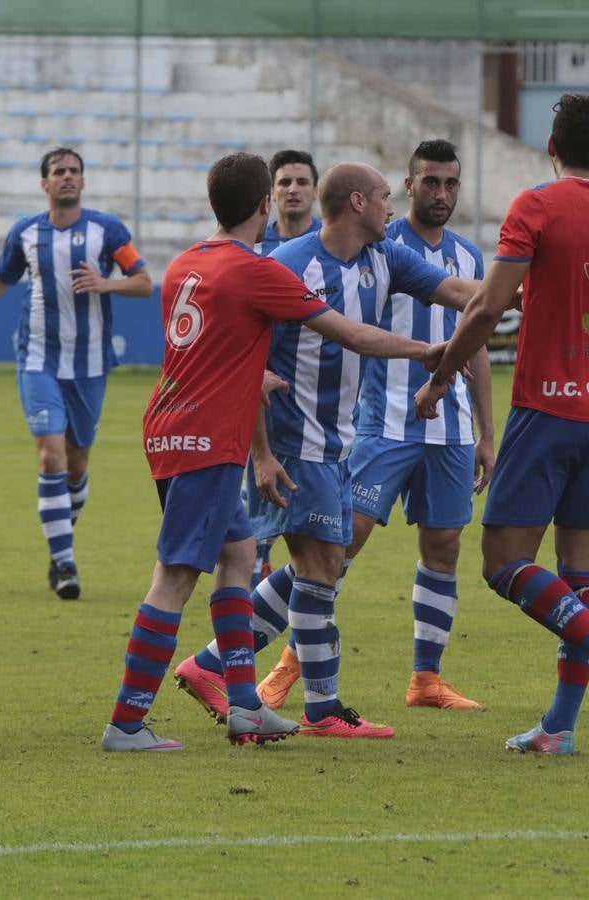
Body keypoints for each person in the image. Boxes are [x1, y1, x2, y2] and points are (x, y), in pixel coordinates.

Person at [102, 153, 448, 750]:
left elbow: (208, 346)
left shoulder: (187, 263)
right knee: (175, 578)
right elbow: (350, 333)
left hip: (171, 425)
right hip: (207, 438)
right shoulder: (256, 270)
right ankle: (126, 723)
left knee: (239, 557)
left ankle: (244, 706)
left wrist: (250, 379)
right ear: (264, 205)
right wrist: (425, 351)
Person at [414, 94, 589, 755]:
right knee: (580, 571)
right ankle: (560, 727)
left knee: (504, 563)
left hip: (547, 410)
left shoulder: (535, 206)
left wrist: (444, 373)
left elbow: (485, 309)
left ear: (550, 147)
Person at [255, 140, 494, 712]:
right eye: (429, 183)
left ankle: (426, 679)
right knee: (334, 551)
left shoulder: (465, 256)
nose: (441, 194)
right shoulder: (372, 247)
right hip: (378, 424)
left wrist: (488, 429)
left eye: (451, 184)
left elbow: (476, 329)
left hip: (451, 426)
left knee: (444, 544)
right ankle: (283, 666)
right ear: (407, 188)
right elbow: (353, 336)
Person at [0, 147, 153, 600]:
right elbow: (2, 276)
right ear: (44, 184)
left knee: (76, 465)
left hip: (89, 364)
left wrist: (106, 282)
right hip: (38, 360)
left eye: (74, 171)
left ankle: (57, 545)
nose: (67, 177)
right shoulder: (26, 232)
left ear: (83, 182)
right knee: (51, 456)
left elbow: (144, 281)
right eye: (58, 172)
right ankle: (66, 563)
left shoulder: (107, 230)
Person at [246, 149, 322, 587]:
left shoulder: (331, 245)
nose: (293, 189)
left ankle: (291, 583)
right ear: (271, 195)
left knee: (307, 511)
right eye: (284, 183)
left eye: (301, 182)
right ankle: (257, 574)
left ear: (315, 190)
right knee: (256, 491)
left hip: (315, 397)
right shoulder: (256, 246)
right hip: (257, 394)